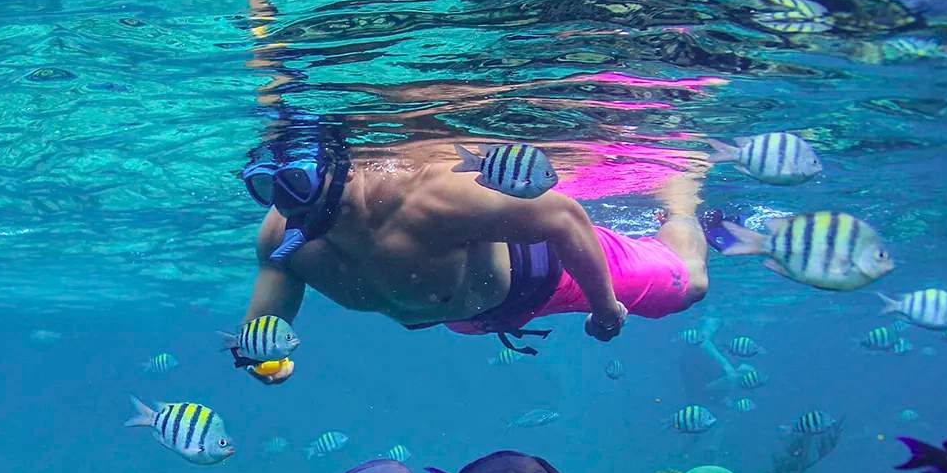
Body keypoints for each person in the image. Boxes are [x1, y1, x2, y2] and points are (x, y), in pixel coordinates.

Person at [239, 138, 709, 362]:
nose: (286, 204)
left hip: (552, 273)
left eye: (297, 185)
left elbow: (566, 219)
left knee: (689, 287)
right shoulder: (282, 241)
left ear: (336, 168)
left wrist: (606, 311)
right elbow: (262, 330)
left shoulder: (427, 196)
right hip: (467, 315)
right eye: (266, 188)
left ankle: (681, 199)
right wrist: (263, 361)